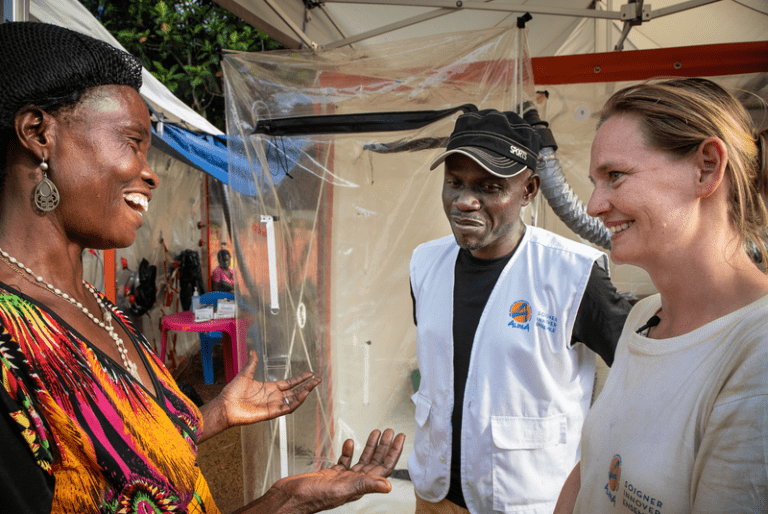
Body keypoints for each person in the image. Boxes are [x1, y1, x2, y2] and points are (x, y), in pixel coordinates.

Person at [0, 22, 404, 514]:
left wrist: (274, 489)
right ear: (38, 133)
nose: (149, 173)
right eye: (132, 141)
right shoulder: (8, 343)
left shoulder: (99, 308)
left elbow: (130, 459)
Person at [555, 78, 768, 513]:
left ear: (706, 168)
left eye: (615, 176)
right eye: (596, 181)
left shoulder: (757, 353)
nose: (594, 205)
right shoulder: (646, 318)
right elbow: (594, 469)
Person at [408, 109, 631, 514]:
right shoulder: (424, 264)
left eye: (489, 187)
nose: (465, 201)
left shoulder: (573, 274)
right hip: (434, 495)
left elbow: (642, 373)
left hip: (527, 501)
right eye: (454, 183)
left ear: (529, 190)